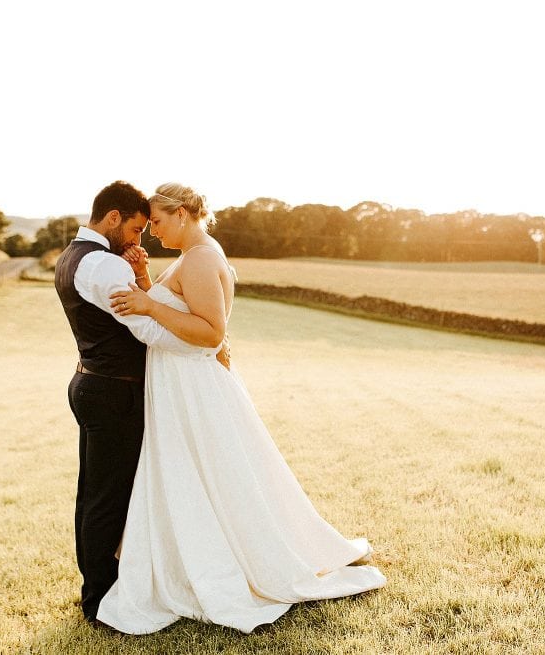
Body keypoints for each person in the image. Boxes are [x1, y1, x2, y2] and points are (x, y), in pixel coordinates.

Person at [95, 182, 386, 634]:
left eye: (155, 221)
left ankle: (232, 562)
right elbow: (190, 312)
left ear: (182, 214)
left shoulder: (203, 257)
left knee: (211, 471)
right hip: (183, 382)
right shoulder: (197, 255)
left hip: (191, 385)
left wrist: (149, 304)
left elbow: (210, 332)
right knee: (201, 470)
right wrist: (148, 282)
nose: (150, 232)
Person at [53, 181, 230, 623]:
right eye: (136, 228)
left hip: (97, 384)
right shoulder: (102, 266)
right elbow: (150, 331)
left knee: (103, 494)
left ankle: (108, 582)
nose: (140, 238)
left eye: (150, 225)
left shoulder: (74, 256)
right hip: (114, 391)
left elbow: (175, 316)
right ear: (113, 219)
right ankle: (100, 595)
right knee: (107, 498)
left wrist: (150, 293)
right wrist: (207, 345)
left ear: (183, 215)